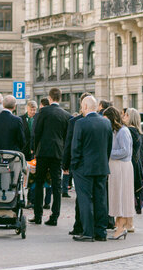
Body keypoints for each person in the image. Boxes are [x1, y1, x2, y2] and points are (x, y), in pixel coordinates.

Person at [70, 94, 111, 242]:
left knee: (85, 199)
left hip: (83, 168)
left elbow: (76, 148)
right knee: (101, 199)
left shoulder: (81, 123)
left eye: (82, 106)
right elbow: (108, 147)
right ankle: (101, 232)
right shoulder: (106, 123)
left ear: (86, 107)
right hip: (101, 167)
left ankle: (88, 232)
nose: (81, 108)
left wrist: (73, 166)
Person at [30, 87, 70, 225]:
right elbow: (67, 137)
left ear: (50, 97)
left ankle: (38, 215)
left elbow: (36, 132)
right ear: (60, 97)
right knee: (57, 185)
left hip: (43, 152)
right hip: (58, 153)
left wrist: (35, 150)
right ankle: (54, 216)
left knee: (39, 182)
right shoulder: (66, 115)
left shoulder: (43, 112)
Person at [105, 106, 133, 240]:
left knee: (121, 197)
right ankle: (119, 225)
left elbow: (125, 151)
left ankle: (121, 227)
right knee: (116, 196)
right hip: (116, 168)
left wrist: (108, 153)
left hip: (122, 168)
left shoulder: (123, 131)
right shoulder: (115, 131)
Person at [124, 108, 143, 215]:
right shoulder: (137, 131)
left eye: (125, 115)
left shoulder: (129, 131)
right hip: (136, 163)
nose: (123, 117)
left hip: (130, 163)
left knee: (128, 194)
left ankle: (128, 220)